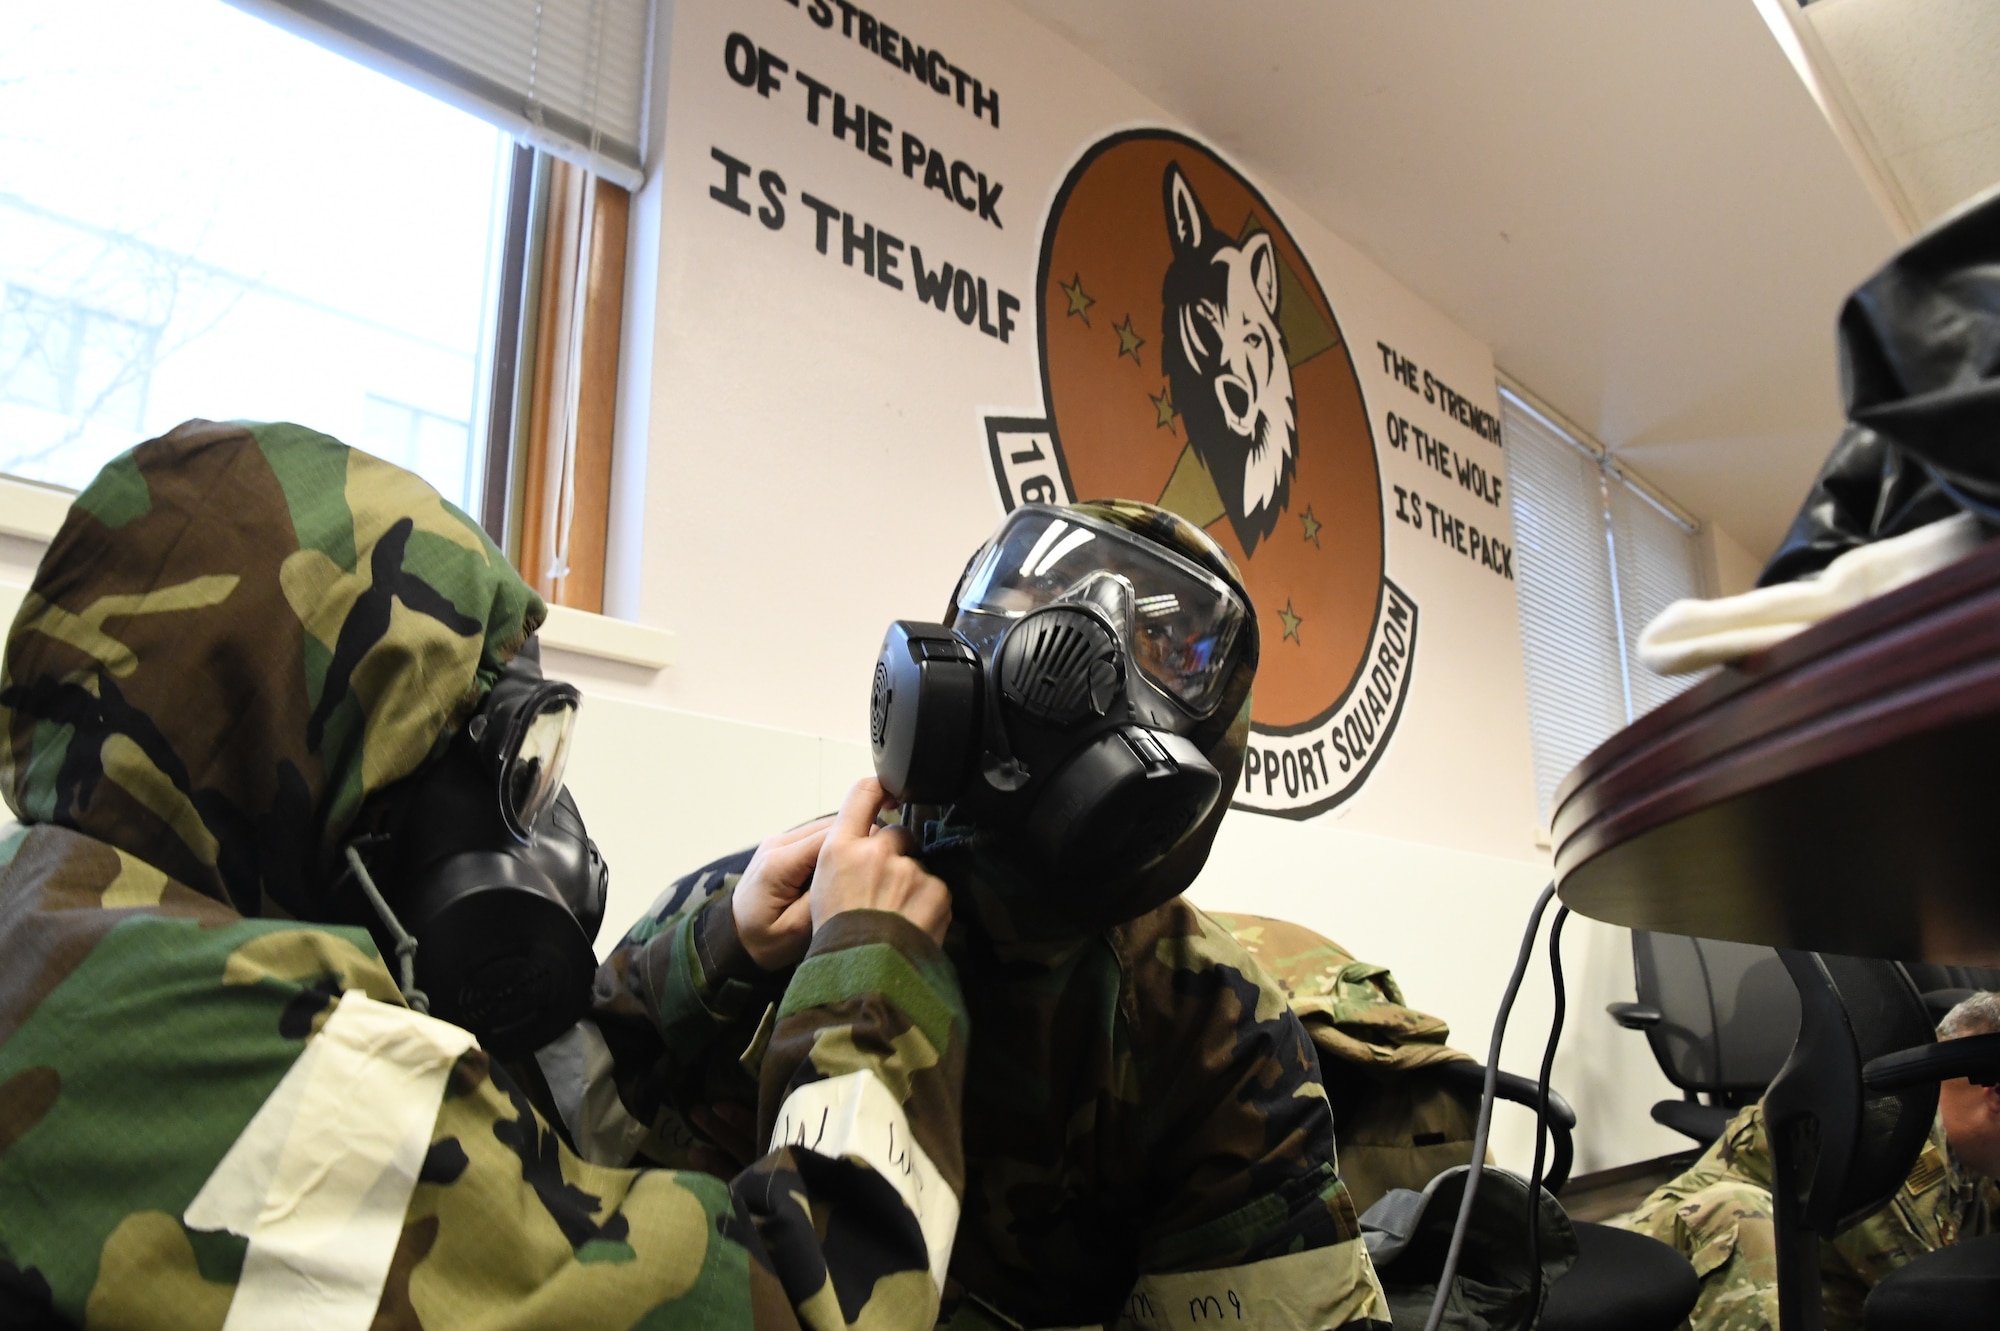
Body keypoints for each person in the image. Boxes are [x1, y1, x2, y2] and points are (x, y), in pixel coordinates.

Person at [0, 419, 964, 1330]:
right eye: (516, 763)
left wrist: (715, 955)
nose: (542, 822)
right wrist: (869, 975)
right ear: (334, 764)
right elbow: (809, 1305)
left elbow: (516, 1151)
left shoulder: (66, 919)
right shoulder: (268, 1058)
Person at [584, 500, 1392, 1330]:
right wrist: (715, 956)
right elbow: (565, 1132)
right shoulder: (773, 908)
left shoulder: (1216, 1035)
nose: (1066, 642)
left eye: (1159, 647)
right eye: (1032, 592)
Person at [1616, 990, 2000, 1330]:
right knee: (1735, 1212)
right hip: (1677, 1274)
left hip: (1822, 1281)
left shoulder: (1964, 1148)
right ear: (1995, 1095)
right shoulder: (1883, 1126)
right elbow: (1933, 1301)